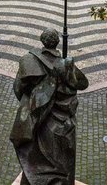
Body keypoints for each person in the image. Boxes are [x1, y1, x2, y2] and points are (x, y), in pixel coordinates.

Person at [10, 29, 90, 185]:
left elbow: (18, 89)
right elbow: (83, 83)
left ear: (42, 41)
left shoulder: (30, 61)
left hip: (41, 122)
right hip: (64, 124)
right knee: (63, 161)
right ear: (57, 42)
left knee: (36, 157)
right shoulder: (66, 65)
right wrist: (67, 65)